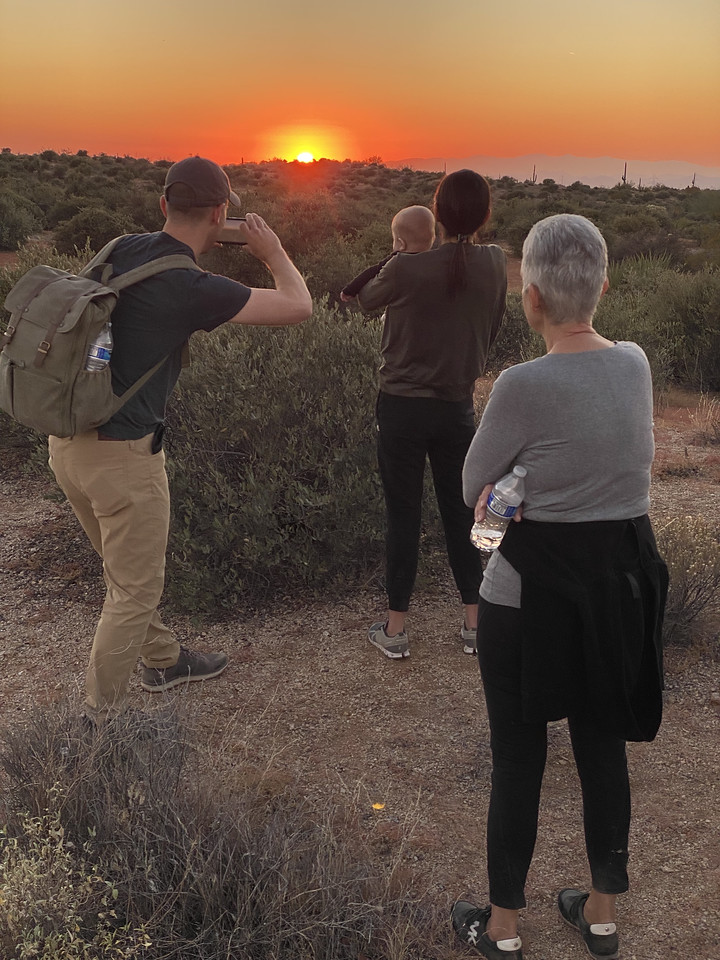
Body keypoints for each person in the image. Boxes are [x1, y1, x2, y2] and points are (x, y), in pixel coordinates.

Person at [452, 214, 667, 960]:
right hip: (612, 597)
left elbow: (475, 487)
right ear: (603, 286)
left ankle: (504, 927)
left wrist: (515, 486)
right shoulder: (635, 365)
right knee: (601, 748)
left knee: (518, 757)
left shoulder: (521, 384)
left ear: (530, 296)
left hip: (526, 601)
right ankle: (600, 915)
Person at [48, 156, 312, 720]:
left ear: (165, 205)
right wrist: (272, 253)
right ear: (220, 215)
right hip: (123, 458)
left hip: (67, 442)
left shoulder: (120, 248)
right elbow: (299, 306)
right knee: (133, 592)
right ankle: (102, 728)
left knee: (123, 572)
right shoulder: (191, 285)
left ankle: (163, 658)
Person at [356, 170, 507, 659]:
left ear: (437, 212)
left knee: (402, 513)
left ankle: (396, 629)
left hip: (400, 406)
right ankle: (475, 624)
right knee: (463, 511)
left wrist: (400, 251)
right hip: (457, 407)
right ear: (484, 215)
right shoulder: (497, 264)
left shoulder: (407, 267)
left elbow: (360, 301)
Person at [339, 205, 435, 301]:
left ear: (402, 244)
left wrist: (350, 290)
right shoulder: (437, 261)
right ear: (433, 239)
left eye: (394, 240)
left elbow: (373, 271)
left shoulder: (396, 262)